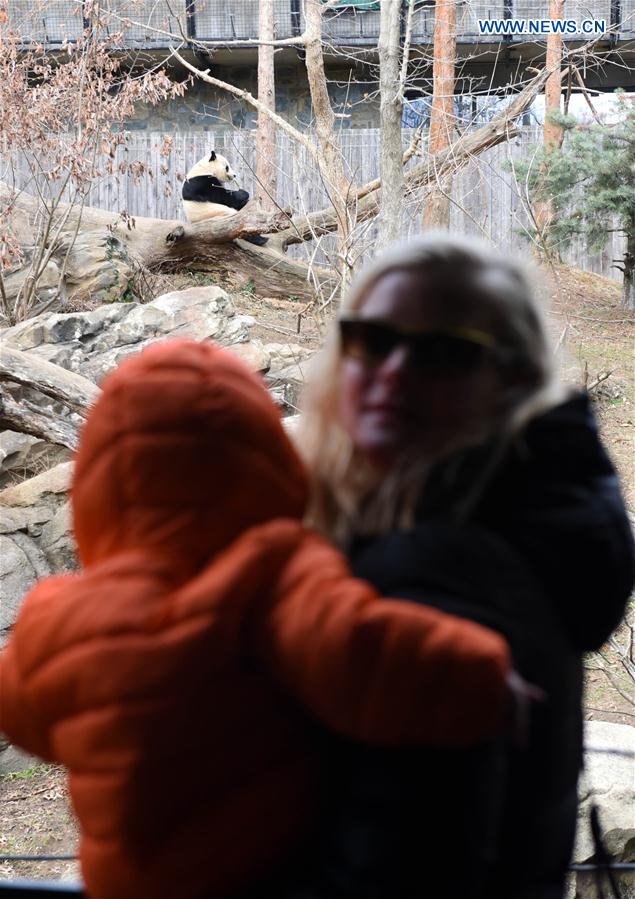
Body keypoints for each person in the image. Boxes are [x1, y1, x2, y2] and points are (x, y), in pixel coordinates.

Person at [0, 339, 517, 899]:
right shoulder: (273, 570)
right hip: (259, 873)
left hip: (122, 883)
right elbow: (359, 651)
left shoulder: (55, 616)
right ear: (271, 463)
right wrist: (483, 674)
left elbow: (23, 712)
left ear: (97, 492)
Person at [287, 233, 635, 899]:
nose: (392, 371)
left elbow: (387, 866)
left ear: (512, 379)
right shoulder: (516, 525)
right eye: (372, 338)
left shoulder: (432, 575)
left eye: (444, 352)